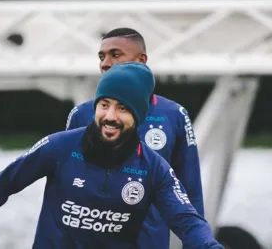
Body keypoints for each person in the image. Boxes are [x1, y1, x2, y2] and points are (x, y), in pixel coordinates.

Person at [0, 62, 223, 249]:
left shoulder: (153, 168)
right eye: (105, 105)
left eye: (122, 109)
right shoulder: (59, 147)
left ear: (140, 117)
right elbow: (2, 185)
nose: (110, 116)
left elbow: (188, 221)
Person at [66, 28, 204, 248]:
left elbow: (191, 192)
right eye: (102, 57)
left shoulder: (174, 115)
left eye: (115, 54)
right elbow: (66, 188)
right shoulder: (82, 115)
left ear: (142, 60)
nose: (105, 63)